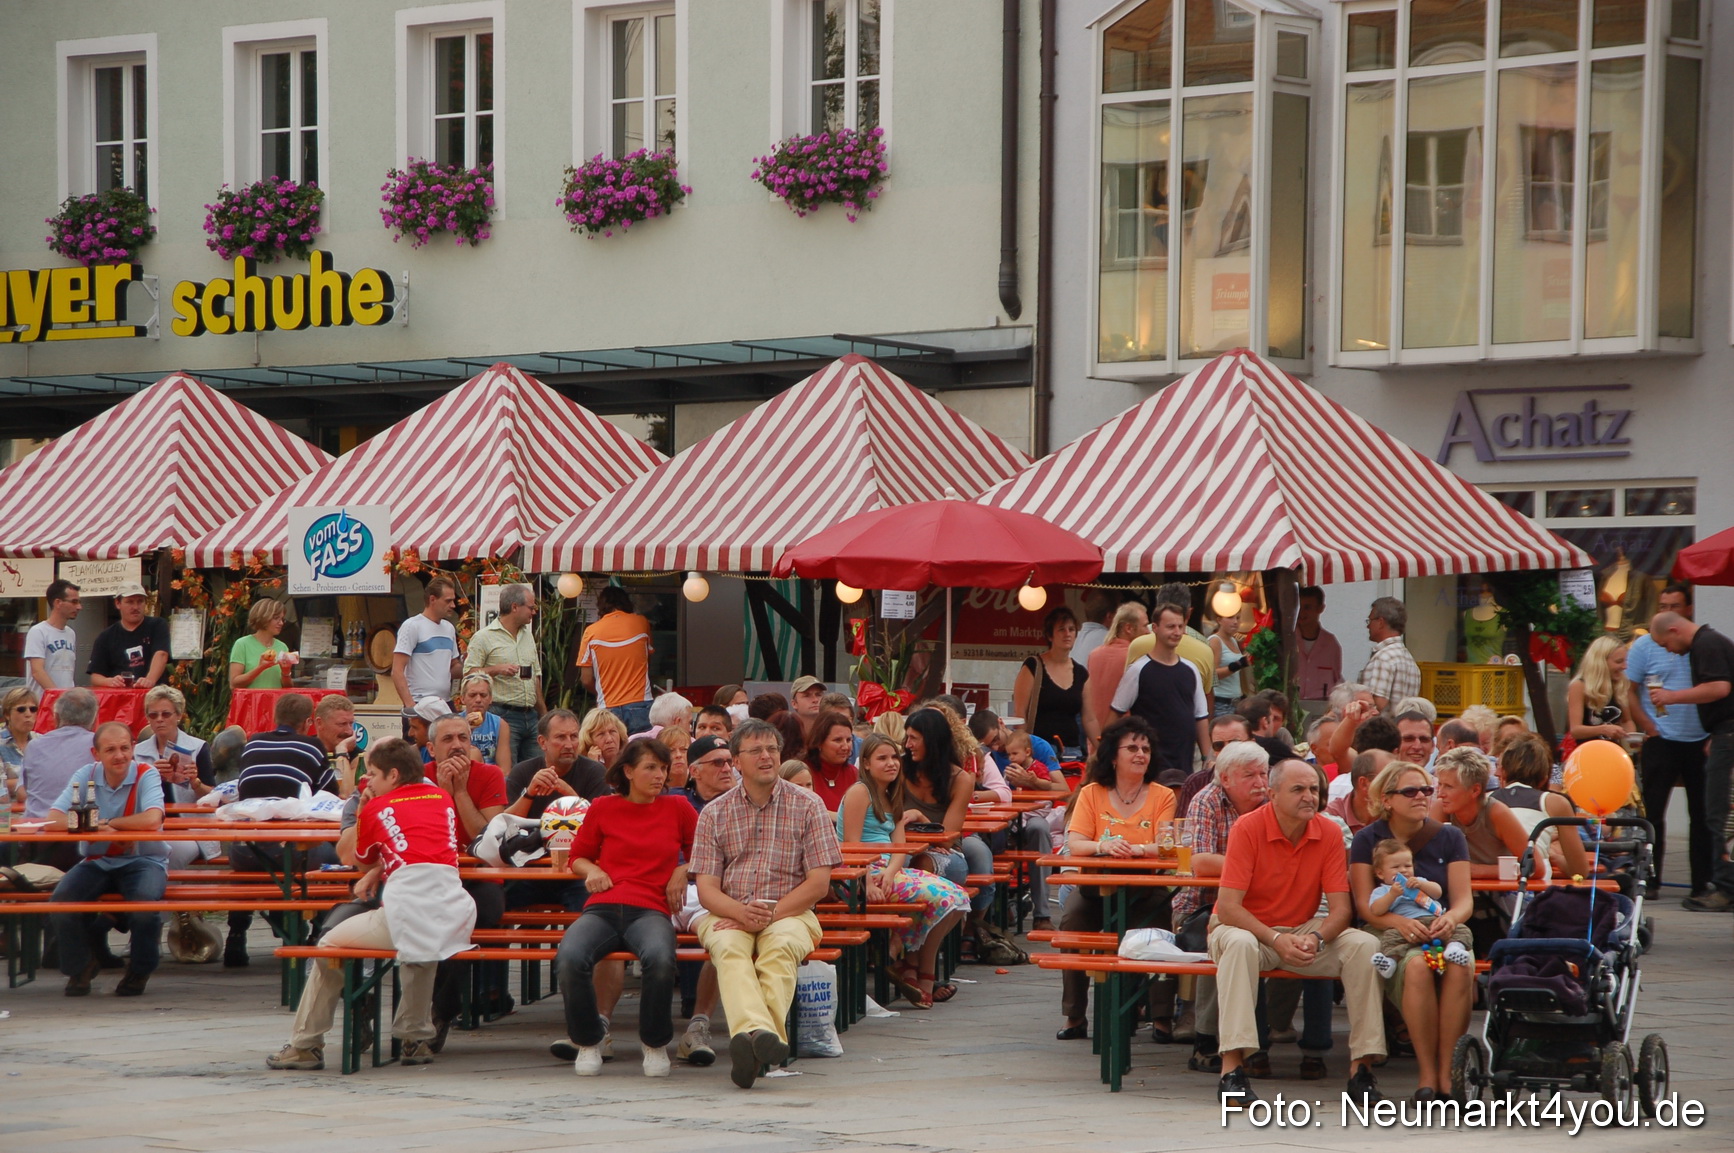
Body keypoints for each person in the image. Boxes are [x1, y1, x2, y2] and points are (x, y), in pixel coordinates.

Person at [267, 739, 477, 1070]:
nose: (368, 781)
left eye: (374, 774)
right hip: (454, 909)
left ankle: (306, 1044)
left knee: (329, 944)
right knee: (423, 946)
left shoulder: (378, 807)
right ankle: (415, 1037)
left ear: (393, 776)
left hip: (406, 907)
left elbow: (359, 862)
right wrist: (382, 868)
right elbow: (415, 849)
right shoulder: (441, 796)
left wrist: (366, 815)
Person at [1210, 758, 1386, 1105]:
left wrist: (1315, 938)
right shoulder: (1247, 827)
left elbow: (1341, 910)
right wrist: (1276, 938)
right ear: (1272, 794)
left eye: (1314, 789)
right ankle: (1232, 1071)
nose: (1309, 796)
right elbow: (1229, 907)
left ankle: (1362, 1070)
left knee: (1365, 945)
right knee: (1241, 944)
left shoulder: (1330, 831)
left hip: (1301, 930)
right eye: (1298, 789)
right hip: (1242, 927)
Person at [690, 718, 843, 1089]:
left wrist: (770, 914)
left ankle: (751, 1040)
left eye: (772, 749)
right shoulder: (714, 812)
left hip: (790, 910)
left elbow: (819, 884)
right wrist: (741, 914)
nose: (766, 757)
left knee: (780, 947)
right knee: (727, 947)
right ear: (737, 762)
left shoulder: (808, 805)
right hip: (729, 911)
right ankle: (761, 1039)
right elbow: (707, 889)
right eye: (755, 750)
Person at [554, 737, 696, 1077]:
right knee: (569, 957)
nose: (660, 775)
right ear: (628, 771)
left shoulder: (678, 808)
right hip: (603, 906)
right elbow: (577, 859)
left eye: (663, 768)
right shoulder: (603, 807)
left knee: (661, 960)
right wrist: (594, 870)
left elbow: (703, 853)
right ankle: (589, 1041)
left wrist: (681, 870)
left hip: (650, 909)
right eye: (650, 768)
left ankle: (655, 1043)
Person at [1349, 760, 1473, 1100]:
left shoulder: (1450, 836)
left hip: (1441, 927)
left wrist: (1451, 919)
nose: (1421, 796)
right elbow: (1365, 907)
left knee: (1459, 966)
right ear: (1386, 799)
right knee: (1417, 967)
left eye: (1426, 790)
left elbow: (1463, 900)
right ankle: (1427, 1073)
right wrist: (1399, 923)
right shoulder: (1367, 839)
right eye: (1410, 791)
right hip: (1390, 928)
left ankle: (1449, 1070)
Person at [1055, 717, 1178, 1041]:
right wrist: (1103, 845)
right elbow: (1077, 843)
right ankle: (1075, 1016)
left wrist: (1134, 849)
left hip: (1145, 888)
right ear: (1113, 755)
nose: (1141, 754)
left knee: (1159, 926)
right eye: (1133, 748)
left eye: (1146, 749)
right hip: (1096, 887)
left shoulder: (1162, 795)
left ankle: (1162, 1017)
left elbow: (1167, 849)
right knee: (1072, 920)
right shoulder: (1092, 793)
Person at [839, 733, 971, 1006]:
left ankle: (912, 965)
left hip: (887, 871)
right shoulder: (859, 792)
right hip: (860, 874)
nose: (891, 764)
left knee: (960, 898)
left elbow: (900, 846)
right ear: (865, 764)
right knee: (945, 899)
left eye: (894, 758)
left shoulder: (892, 794)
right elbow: (849, 845)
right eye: (882, 758)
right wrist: (870, 882)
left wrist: (890, 872)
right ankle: (921, 973)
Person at [46, 722, 167, 996]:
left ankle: (139, 969)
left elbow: (152, 818)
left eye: (125, 748)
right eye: (110, 749)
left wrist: (109, 823)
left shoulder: (146, 774)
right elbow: (53, 819)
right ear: (96, 753)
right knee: (60, 903)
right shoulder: (86, 775)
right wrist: (101, 827)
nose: (120, 756)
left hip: (144, 860)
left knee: (145, 906)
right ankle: (81, 966)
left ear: (134, 748)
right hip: (97, 859)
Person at [228, 693, 341, 964]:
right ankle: (319, 933)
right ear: (307, 723)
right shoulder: (312, 747)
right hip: (290, 854)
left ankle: (236, 934)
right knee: (338, 861)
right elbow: (331, 802)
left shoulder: (253, 744)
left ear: (276, 718)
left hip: (242, 853)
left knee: (251, 858)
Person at [424, 712, 509, 1048]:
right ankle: (430, 1011)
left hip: (480, 879)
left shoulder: (489, 776)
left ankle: (440, 1012)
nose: (457, 746)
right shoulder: (419, 778)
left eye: (463, 738)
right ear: (431, 749)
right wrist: (441, 790)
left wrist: (459, 792)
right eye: (448, 740)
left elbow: (487, 840)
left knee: (466, 920)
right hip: (434, 878)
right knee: (434, 922)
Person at [1624, 584, 1711, 901]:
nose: (1667, 611)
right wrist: (1648, 726)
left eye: (1674, 605)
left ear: (1688, 609)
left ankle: (1702, 884)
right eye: (1662, 605)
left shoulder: (1700, 645)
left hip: (1700, 739)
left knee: (1702, 815)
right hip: (1660, 739)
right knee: (1653, 813)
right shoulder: (1644, 646)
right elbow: (1631, 691)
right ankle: (1652, 881)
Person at [1647, 609, 1734, 911]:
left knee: (1717, 812)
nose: (1668, 651)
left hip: (1728, 733)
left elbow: (1720, 687)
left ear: (1674, 631)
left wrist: (1672, 697)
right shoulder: (1710, 643)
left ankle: (1725, 888)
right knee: (1719, 810)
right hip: (1724, 731)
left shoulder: (1706, 644)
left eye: (1665, 644)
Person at [1431, 745, 1530, 954]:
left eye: (1448, 786)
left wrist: (1476, 871)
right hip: (1455, 902)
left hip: (1498, 903)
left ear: (1475, 790)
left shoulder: (1496, 813)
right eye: (1439, 785)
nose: (1440, 793)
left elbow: (1535, 866)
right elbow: (1427, 861)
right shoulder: (1441, 810)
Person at [1111, 604, 1212, 782]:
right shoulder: (1138, 670)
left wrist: (1208, 758)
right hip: (1150, 766)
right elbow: (1115, 715)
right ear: (1155, 628)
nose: (1177, 632)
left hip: (1185, 763)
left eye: (1180, 627)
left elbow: (1200, 717)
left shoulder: (1191, 669)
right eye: (1171, 626)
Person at [135, 686, 217, 868]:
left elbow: (214, 797)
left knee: (167, 852)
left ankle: (158, 893)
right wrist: (148, 775)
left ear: (178, 715)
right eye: (153, 715)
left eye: (166, 714)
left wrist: (195, 783)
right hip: (150, 826)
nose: (159, 720)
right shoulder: (138, 752)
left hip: (189, 829)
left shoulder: (197, 747)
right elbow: (128, 795)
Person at [464, 583, 545, 767]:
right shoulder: (483, 637)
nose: (534, 612)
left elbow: (535, 677)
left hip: (530, 716)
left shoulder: (528, 635)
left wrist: (543, 713)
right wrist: (497, 669)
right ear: (515, 607)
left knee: (537, 769)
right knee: (509, 773)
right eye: (531, 608)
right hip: (503, 713)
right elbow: (468, 674)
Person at [1488, 733, 1588, 879]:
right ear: (1544, 779)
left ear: (1503, 772)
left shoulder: (1486, 800)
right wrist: (1555, 857)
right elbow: (1579, 872)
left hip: (1491, 889)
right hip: (1534, 888)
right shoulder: (1555, 803)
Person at [1365, 841, 1473, 974]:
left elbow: (1437, 892)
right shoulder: (1383, 891)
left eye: (1408, 865)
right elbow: (1376, 910)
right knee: (1390, 938)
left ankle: (1454, 948)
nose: (1403, 870)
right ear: (1381, 873)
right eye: (1396, 867)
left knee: (1462, 929)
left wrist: (1421, 885)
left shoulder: (1419, 881)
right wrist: (1392, 895)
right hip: (1408, 927)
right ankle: (1390, 961)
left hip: (1434, 921)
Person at [1011, 607, 1093, 760]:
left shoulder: (1081, 673)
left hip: (1072, 751)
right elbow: (1020, 712)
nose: (1067, 634)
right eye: (1061, 629)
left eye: (1071, 629)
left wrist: (1102, 750)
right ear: (1050, 635)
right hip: (1039, 749)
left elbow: (1089, 719)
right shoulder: (1033, 666)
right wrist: (1024, 749)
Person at [392, 576, 461, 708]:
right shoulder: (412, 625)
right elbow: (397, 670)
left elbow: (453, 666)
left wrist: (468, 664)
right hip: (420, 702)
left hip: (445, 703)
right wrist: (410, 705)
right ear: (432, 599)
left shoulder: (449, 628)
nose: (453, 605)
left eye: (453, 600)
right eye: (448, 601)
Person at [87, 581, 170, 688]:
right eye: (130, 602)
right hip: (121, 699)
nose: (135, 607)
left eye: (140, 601)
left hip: (153, 696)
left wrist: (149, 680)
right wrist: (109, 681)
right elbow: (95, 676)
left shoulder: (158, 625)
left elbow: (162, 655)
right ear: (118, 603)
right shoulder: (105, 637)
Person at [1087, 602, 1147, 738]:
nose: (1148, 631)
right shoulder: (1136, 659)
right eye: (1144, 626)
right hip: (1124, 737)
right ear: (1128, 628)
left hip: (1094, 738)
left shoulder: (1094, 655)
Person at [1567, 635, 1634, 748]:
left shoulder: (1620, 684)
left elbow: (1627, 721)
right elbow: (1575, 730)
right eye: (1619, 661)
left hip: (1614, 752)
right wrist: (1603, 729)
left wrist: (1631, 738)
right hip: (1589, 752)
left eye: (1625, 661)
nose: (1624, 666)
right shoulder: (1579, 686)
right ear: (1601, 662)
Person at [1360, 598, 1421, 712]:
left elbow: (1377, 704)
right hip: (1401, 726)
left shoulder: (1384, 657)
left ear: (1381, 622)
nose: (1368, 626)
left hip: (1380, 728)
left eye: (1370, 621)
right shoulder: (1409, 659)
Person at [25, 578, 81, 691]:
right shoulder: (38, 631)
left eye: (79, 602)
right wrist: (57, 695)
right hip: (42, 702)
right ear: (58, 603)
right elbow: (37, 671)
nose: (79, 607)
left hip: (66, 703)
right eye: (74, 602)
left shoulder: (70, 633)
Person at [229, 597, 290, 690]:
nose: (281, 623)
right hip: (251, 703)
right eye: (276, 618)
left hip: (275, 703)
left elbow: (288, 688)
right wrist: (260, 668)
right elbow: (234, 684)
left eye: (282, 619)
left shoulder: (283, 646)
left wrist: (286, 672)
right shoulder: (242, 644)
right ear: (263, 617)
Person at [802, 710, 858, 812]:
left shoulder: (854, 774)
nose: (845, 747)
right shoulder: (803, 772)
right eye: (838, 740)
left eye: (849, 740)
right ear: (819, 742)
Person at [1294, 586, 1343, 701]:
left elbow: (1336, 679)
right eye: (1299, 607)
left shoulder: (1331, 644)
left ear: (1320, 608)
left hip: (1320, 708)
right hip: (1291, 706)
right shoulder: (1288, 640)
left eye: (1307, 607)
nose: (1302, 612)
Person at [1325, 749, 1391, 834]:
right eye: (1388, 779)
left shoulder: (1398, 813)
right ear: (1364, 783)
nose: (1398, 785)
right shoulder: (1332, 817)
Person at [457, 673, 512, 770]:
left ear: (490, 699)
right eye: (472, 695)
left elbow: (505, 768)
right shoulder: (453, 723)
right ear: (462, 699)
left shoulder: (500, 724)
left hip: (491, 775)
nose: (478, 700)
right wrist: (465, 730)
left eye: (483, 695)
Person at [310, 694, 360, 798]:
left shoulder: (359, 756)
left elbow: (346, 794)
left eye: (351, 724)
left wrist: (342, 752)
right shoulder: (306, 751)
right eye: (342, 724)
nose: (349, 731)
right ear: (320, 723)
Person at [1209, 608, 1251, 716]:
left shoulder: (1233, 640)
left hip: (1237, 701)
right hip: (1222, 703)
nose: (1235, 622)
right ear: (1219, 620)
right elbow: (1212, 675)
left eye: (1238, 618)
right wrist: (1238, 664)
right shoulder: (1215, 641)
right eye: (1230, 617)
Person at [1, 687, 37, 808]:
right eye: (21, 709)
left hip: (38, 811)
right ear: (7, 714)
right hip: (6, 813)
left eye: (33, 709)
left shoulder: (43, 742)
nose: (28, 714)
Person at [683, 735, 736, 814]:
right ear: (695, 771)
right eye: (718, 762)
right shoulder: (678, 803)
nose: (727, 768)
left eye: (729, 762)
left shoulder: (744, 803)